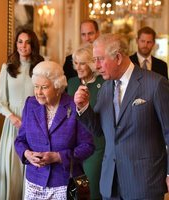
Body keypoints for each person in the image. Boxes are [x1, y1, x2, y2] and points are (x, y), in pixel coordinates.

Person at [74, 33, 169, 199]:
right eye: (94, 60)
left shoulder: (156, 84)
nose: (96, 66)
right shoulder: (104, 88)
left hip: (145, 184)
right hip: (110, 185)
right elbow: (98, 130)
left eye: (100, 59)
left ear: (118, 57)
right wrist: (83, 108)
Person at [14, 61, 95, 200]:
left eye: (44, 87)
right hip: (34, 182)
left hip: (64, 183)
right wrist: (27, 154)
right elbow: (20, 140)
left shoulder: (74, 106)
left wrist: (58, 157)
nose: (38, 92)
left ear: (57, 87)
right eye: (36, 87)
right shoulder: (30, 104)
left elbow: (88, 146)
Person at [0, 27, 44, 200]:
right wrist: (12, 117)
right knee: (12, 169)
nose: (23, 46)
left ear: (33, 45)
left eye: (28, 42)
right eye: (20, 41)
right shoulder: (7, 68)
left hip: (35, 126)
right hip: (12, 125)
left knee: (31, 169)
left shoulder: (40, 68)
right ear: (16, 44)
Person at [67, 43, 105, 200]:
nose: (78, 67)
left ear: (91, 63)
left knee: (92, 192)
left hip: (96, 145)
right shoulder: (72, 83)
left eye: (82, 63)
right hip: (74, 147)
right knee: (76, 191)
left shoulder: (104, 83)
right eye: (76, 63)